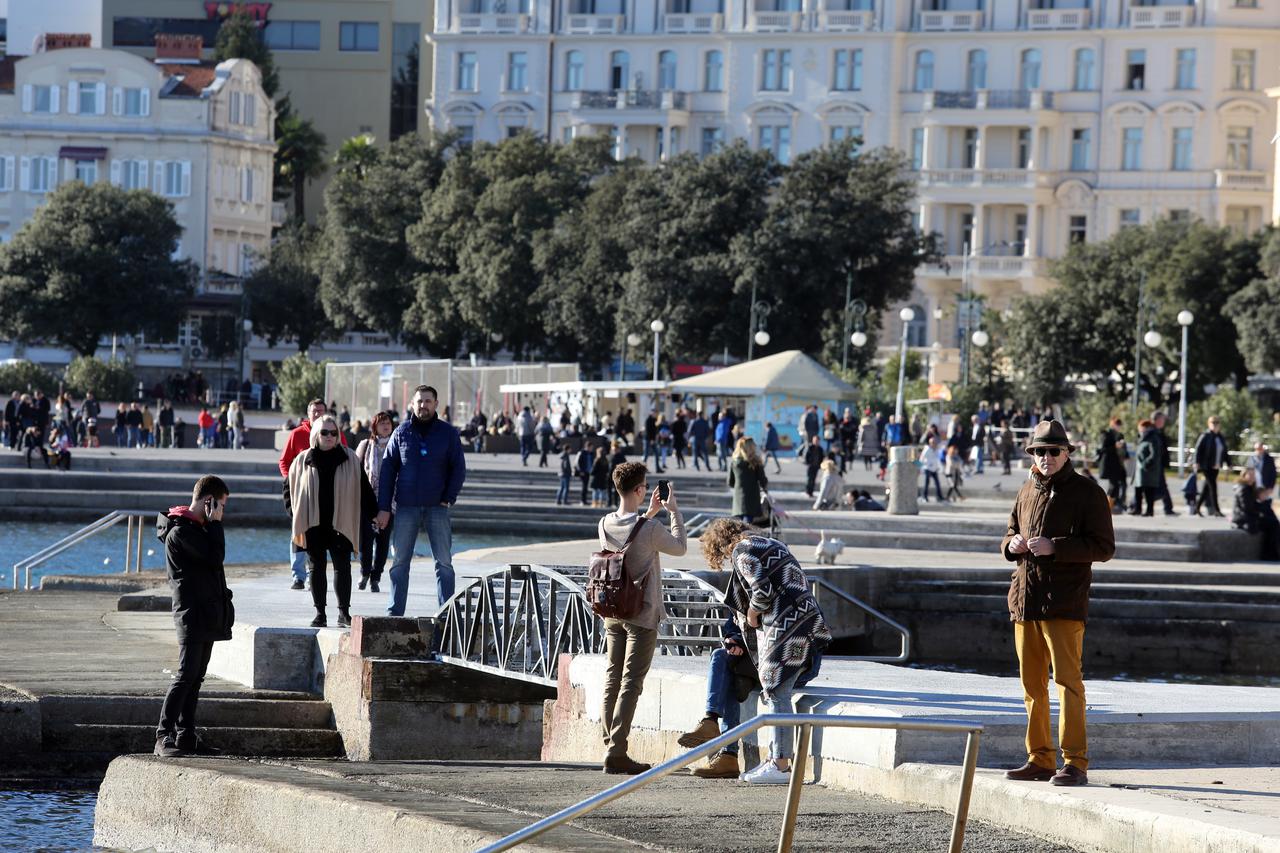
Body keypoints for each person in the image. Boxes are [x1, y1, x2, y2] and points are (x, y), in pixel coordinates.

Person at [1001, 419, 1115, 788]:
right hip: (1025, 601)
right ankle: (1039, 759)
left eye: (1053, 451)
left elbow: (1104, 547)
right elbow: (1009, 532)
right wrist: (1011, 545)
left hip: (1064, 603)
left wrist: (1057, 547)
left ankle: (1075, 763)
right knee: (1032, 686)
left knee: (1068, 683)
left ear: (1066, 453)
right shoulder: (1026, 489)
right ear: (1032, 455)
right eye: (1039, 451)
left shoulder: (1088, 493)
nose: (1046, 457)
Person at [696, 518, 830, 784]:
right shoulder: (771, 544)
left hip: (787, 627)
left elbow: (762, 591)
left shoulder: (742, 550)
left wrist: (751, 613)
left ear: (721, 545)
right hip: (806, 623)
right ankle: (775, 760)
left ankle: (780, 765)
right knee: (775, 689)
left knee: (776, 690)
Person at [598, 462, 687, 774]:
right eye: (645, 486)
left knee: (613, 677)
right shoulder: (650, 530)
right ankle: (617, 751)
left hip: (612, 609)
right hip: (642, 613)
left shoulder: (604, 523)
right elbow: (680, 547)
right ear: (639, 490)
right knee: (631, 682)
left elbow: (628, 542)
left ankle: (610, 743)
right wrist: (673, 511)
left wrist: (648, 513)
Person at [154, 475, 233, 758]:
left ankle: (186, 734)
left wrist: (211, 525)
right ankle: (163, 735)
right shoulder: (181, 532)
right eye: (221, 505)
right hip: (191, 613)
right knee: (185, 675)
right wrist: (215, 524)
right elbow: (215, 558)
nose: (222, 512)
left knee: (196, 676)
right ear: (208, 501)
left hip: (206, 613)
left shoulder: (199, 529)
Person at [377, 385, 467, 614]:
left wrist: (448, 498)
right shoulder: (401, 432)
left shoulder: (448, 433)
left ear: (436, 404)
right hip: (406, 506)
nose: (423, 405)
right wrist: (384, 507)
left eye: (427, 401)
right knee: (399, 562)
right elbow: (387, 471)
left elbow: (458, 468)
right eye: (419, 401)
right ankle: (395, 613)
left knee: (444, 562)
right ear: (412, 404)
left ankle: (446, 614)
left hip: (438, 506)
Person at [286, 414, 376, 628]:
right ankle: (320, 613)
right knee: (316, 568)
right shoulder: (302, 460)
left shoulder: (350, 458)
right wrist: (295, 514)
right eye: (324, 432)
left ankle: (344, 613)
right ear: (315, 435)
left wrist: (375, 513)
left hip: (341, 521)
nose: (329, 436)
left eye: (333, 433)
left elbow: (364, 488)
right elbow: (288, 489)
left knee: (342, 567)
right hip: (313, 523)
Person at [279, 400, 347, 591]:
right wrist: (291, 480)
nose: (318, 414)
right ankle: (298, 576)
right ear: (308, 413)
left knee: (319, 538)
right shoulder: (297, 434)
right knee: (298, 532)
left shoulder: (335, 433)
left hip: (327, 497)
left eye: (321, 411)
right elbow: (284, 461)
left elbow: (345, 459)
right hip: (301, 493)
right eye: (314, 411)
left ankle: (313, 576)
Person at [676, 614, 750, 778]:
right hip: (754, 655)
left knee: (723, 658)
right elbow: (732, 624)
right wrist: (733, 639)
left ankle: (715, 729)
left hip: (784, 662)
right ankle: (727, 753)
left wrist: (743, 644)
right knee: (726, 661)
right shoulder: (741, 599)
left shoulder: (770, 597)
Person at [356, 411, 395, 593]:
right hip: (368, 499)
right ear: (374, 427)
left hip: (390, 501)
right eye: (382, 423)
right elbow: (355, 469)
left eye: (388, 423)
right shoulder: (365, 445)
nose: (386, 426)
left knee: (383, 541)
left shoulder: (397, 444)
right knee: (365, 539)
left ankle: (376, 576)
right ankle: (364, 572)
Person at [1193, 417, 1228, 517]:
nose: (1215, 425)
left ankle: (1197, 507)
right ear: (1209, 424)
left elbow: (1224, 451)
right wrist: (1196, 462)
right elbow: (1198, 449)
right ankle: (1216, 510)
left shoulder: (1220, 437)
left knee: (1206, 489)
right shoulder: (1205, 435)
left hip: (1216, 466)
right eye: (1213, 423)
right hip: (1206, 466)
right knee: (1213, 487)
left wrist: (1228, 463)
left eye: (1217, 423)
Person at [728, 437, 768, 522]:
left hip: (738, 499)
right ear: (751, 447)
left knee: (740, 523)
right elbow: (763, 480)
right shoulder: (755, 462)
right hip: (752, 498)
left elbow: (730, 482)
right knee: (748, 523)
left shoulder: (734, 462)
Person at [1131, 420, 1164, 517]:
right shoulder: (1142, 438)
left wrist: (1146, 464)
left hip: (1149, 470)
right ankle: (1137, 509)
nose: (1139, 430)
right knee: (1138, 490)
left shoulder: (1153, 438)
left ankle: (1149, 510)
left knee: (1149, 491)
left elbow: (1154, 454)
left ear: (1146, 428)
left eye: (1141, 428)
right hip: (1140, 471)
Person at [1097, 418, 1127, 513]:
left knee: (1118, 485)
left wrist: (1124, 451)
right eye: (1116, 424)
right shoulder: (1106, 434)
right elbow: (1103, 449)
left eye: (1119, 425)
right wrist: (1115, 446)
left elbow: (1123, 449)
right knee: (1113, 485)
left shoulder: (1120, 435)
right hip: (1109, 465)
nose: (1118, 427)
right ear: (1112, 424)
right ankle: (1107, 507)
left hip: (1118, 464)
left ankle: (1113, 505)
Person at [1232, 467, 1259, 534]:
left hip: (1246, 516)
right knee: (1271, 524)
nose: (1253, 477)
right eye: (1250, 475)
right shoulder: (1243, 489)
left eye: (1254, 475)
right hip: (1242, 519)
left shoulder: (1250, 488)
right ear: (1244, 475)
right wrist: (1259, 514)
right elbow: (1246, 507)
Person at [920, 435, 944, 502]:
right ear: (930, 443)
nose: (934, 444)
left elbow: (937, 459)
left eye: (935, 442)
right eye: (932, 442)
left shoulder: (936, 450)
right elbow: (922, 458)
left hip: (934, 468)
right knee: (927, 483)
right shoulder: (927, 449)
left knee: (937, 483)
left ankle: (939, 497)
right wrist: (921, 467)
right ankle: (924, 497)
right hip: (927, 468)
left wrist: (939, 467)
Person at [803, 434, 824, 498]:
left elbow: (821, 457)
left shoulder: (820, 449)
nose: (816, 442)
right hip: (810, 466)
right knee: (809, 479)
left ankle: (811, 492)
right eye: (815, 440)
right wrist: (808, 462)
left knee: (813, 479)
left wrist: (820, 465)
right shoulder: (810, 447)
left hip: (816, 466)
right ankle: (808, 491)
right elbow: (806, 456)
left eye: (817, 440)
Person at [576, 441, 594, 506]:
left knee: (586, 487)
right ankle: (582, 500)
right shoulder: (582, 453)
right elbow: (578, 463)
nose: (592, 448)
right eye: (591, 447)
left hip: (589, 472)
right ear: (587, 447)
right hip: (583, 472)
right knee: (584, 487)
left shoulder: (591, 453)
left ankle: (584, 500)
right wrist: (580, 471)